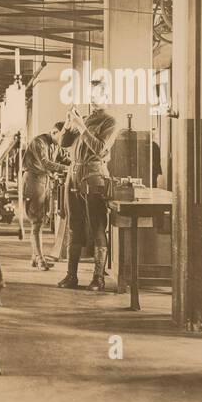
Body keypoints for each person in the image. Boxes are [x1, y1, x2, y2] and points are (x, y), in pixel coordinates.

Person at [57, 101, 118, 291]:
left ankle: (98, 278)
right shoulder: (85, 119)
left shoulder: (110, 121)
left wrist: (81, 127)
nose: (93, 98)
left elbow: (100, 149)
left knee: (98, 226)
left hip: (93, 176)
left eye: (98, 93)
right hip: (74, 175)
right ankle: (71, 275)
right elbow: (63, 143)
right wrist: (68, 124)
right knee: (74, 225)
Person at [21, 122, 69, 270]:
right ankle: (40, 259)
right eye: (61, 137)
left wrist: (77, 164)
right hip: (33, 181)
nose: (62, 142)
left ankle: (35, 258)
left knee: (40, 220)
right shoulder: (39, 142)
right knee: (36, 222)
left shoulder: (56, 145)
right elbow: (46, 163)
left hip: (44, 180)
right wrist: (68, 168)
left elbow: (64, 158)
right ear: (54, 132)